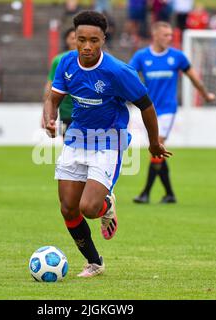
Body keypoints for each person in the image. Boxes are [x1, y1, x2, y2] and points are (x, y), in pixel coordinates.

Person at [43, 11, 171, 278]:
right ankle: (94, 262)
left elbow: (146, 107)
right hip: (76, 138)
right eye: (81, 40)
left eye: (93, 40)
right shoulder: (67, 63)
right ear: (74, 39)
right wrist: (49, 117)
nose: (87, 46)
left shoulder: (117, 72)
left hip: (108, 141)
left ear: (103, 39)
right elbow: (53, 97)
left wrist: (154, 143)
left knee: (88, 208)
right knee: (67, 207)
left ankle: (105, 206)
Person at [129, 21, 215, 204]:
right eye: (166, 35)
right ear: (155, 35)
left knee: (157, 145)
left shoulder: (177, 57)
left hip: (168, 109)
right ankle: (169, 194)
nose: (169, 38)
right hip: (149, 110)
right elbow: (127, 76)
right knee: (158, 152)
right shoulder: (141, 56)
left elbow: (193, 77)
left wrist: (205, 94)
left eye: (170, 35)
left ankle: (145, 193)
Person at [43, 28, 76, 136]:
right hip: (66, 110)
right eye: (72, 38)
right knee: (67, 144)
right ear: (67, 40)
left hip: (86, 110)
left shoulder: (89, 58)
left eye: (77, 38)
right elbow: (50, 85)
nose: (75, 41)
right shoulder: (59, 60)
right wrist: (45, 115)